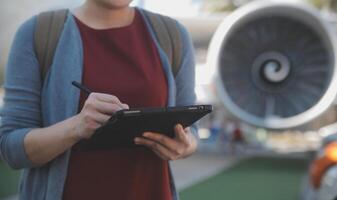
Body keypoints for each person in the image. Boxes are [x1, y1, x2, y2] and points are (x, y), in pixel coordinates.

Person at [0, 0, 198, 199]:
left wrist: (185, 145)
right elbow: (11, 147)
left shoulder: (172, 35)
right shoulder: (39, 33)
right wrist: (75, 128)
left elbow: (192, 133)